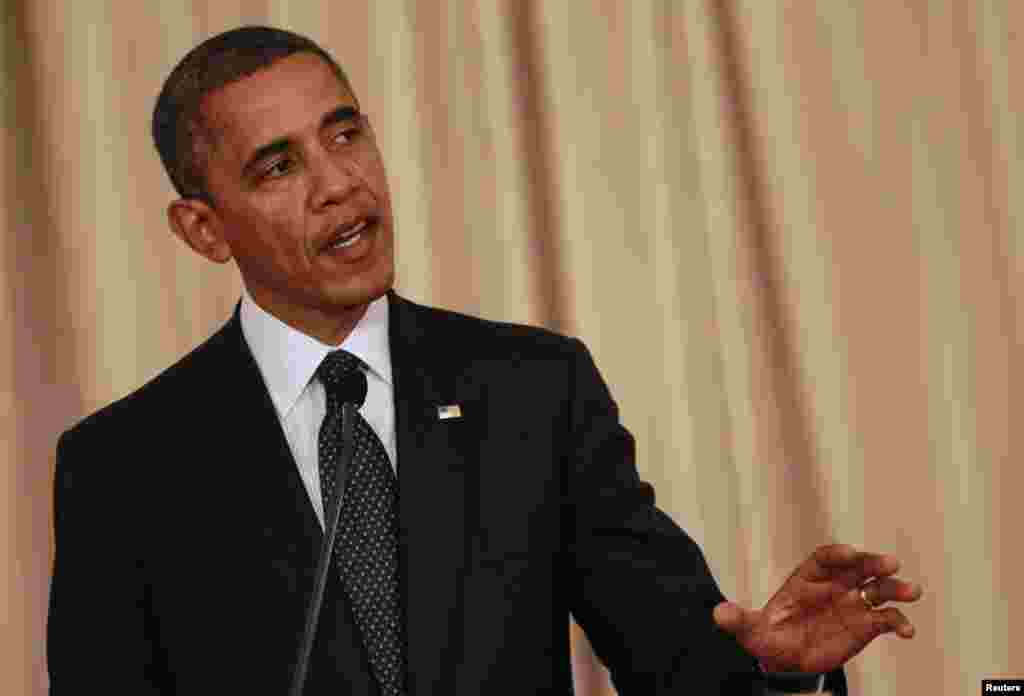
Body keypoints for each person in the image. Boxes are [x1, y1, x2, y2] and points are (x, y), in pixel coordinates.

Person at [47, 26, 922, 695]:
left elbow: (671, 655)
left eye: (345, 134)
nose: (339, 184)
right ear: (203, 228)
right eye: (278, 166)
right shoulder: (123, 466)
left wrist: (772, 668)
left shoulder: (531, 390)